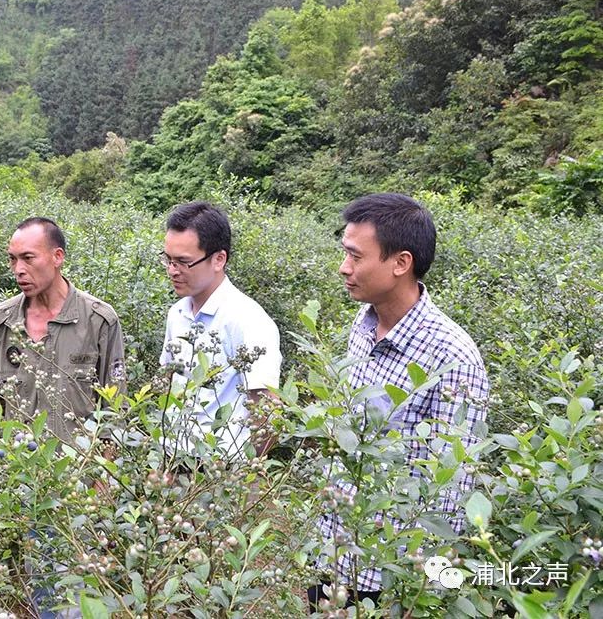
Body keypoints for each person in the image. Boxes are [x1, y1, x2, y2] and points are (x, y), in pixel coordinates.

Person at [311, 193, 490, 610]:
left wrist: (414, 591)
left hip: (386, 574)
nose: (344, 267)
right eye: (344, 253)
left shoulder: (452, 357)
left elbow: (449, 489)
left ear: (400, 263)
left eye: (356, 256)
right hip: (333, 548)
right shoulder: (364, 322)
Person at [0, 217, 126, 443]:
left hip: (77, 473)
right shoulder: (3, 321)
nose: (18, 270)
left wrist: (104, 471)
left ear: (57, 257)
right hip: (16, 470)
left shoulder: (98, 321)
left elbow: (115, 406)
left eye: (28, 258)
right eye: (13, 259)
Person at [159, 201, 281, 456]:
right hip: (176, 463)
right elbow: (170, 387)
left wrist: (250, 470)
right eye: (168, 260)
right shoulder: (177, 314)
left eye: (183, 262)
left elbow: (267, 408)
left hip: (223, 470)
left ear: (218, 259)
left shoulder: (247, 319)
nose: (173, 271)